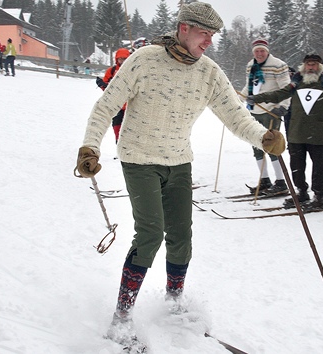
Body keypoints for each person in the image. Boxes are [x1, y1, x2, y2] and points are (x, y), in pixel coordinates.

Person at [74, 1, 285, 344]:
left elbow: (235, 116)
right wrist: (90, 147)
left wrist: (264, 136)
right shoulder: (143, 61)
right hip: (139, 158)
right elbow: (106, 105)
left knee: (181, 236)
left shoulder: (209, 72)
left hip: (179, 161)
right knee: (150, 234)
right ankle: (122, 317)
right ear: (184, 28)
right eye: (204, 33)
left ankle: (174, 303)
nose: (209, 42)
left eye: (213, 35)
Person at [250, 53, 323, 209]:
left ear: (319, 67)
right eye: (308, 64)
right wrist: (257, 98)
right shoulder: (296, 83)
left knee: (319, 167)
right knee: (296, 166)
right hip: (296, 132)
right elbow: (278, 94)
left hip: (317, 133)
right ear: (303, 66)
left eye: (314, 64)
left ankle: (319, 197)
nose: (310, 67)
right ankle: (301, 192)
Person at [241, 38, 291, 195]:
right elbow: (249, 86)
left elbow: (286, 87)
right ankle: (264, 180)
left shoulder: (278, 65)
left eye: (262, 51)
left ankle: (281, 182)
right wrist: (237, 99)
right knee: (257, 146)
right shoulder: (251, 65)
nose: (259, 54)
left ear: (267, 52)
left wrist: (283, 106)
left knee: (272, 146)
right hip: (254, 111)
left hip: (271, 111)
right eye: (256, 51)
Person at [96, 48, 131, 144]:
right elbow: (106, 88)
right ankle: (118, 147)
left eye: (125, 59)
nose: (123, 61)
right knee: (117, 127)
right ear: (117, 59)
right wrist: (102, 85)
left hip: (130, 106)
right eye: (121, 59)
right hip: (116, 106)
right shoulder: (111, 71)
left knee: (129, 130)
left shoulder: (132, 71)